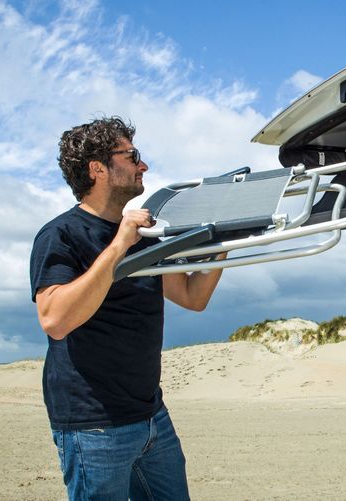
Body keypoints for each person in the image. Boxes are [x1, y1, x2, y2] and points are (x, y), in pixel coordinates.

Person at [29, 116, 224, 500]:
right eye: (132, 156)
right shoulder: (61, 235)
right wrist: (119, 245)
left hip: (152, 416)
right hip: (93, 425)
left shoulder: (144, 238)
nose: (143, 165)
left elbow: (192, 296)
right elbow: (54, 319)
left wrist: (225, 242)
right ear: (97, 168)